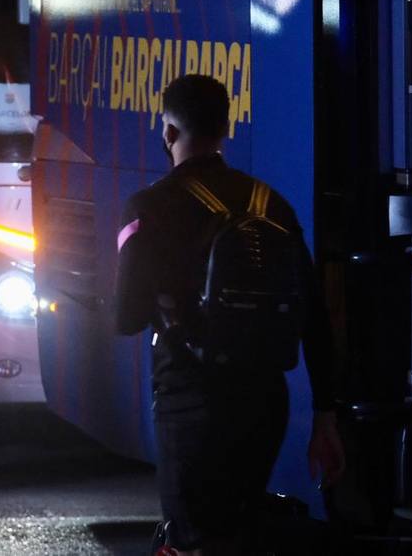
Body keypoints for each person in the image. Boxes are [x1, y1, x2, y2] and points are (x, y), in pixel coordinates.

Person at [114, 74, 345, 555]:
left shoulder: (148, 207)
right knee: (242, 533)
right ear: (225, 128)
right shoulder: (270, 205)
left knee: (193, 538)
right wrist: (327, 416)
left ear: (169, 133)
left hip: (191, 399)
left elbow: (127, 318)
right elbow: (314, 315)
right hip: (265, 402)